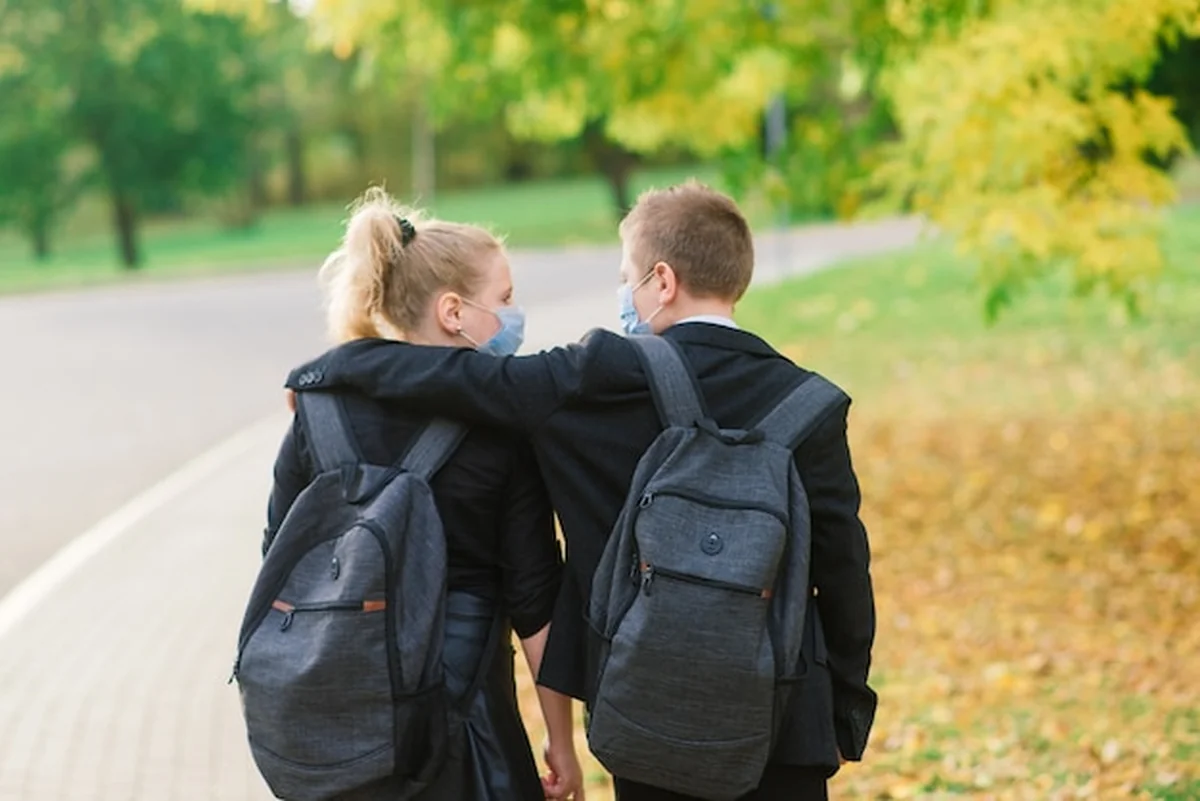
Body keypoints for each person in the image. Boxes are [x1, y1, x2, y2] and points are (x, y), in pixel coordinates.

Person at [285, 182, 877, 801]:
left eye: (628, 278)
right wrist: (846, 711)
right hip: (784, 720)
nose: (625, 295)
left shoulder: (600, 376)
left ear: (663, 282)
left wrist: (328, 373)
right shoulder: (813, 405)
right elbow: (843, 568)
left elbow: (464, 377)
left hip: (644, 709)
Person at [265, 188, 584, 801]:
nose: (516, 313)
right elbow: (535, 606)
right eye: (506, 298)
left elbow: (278, 556)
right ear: (453, 311)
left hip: (341, 739)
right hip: (468, 737)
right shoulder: (500, 430)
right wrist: (560, 743)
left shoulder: (319, 407)